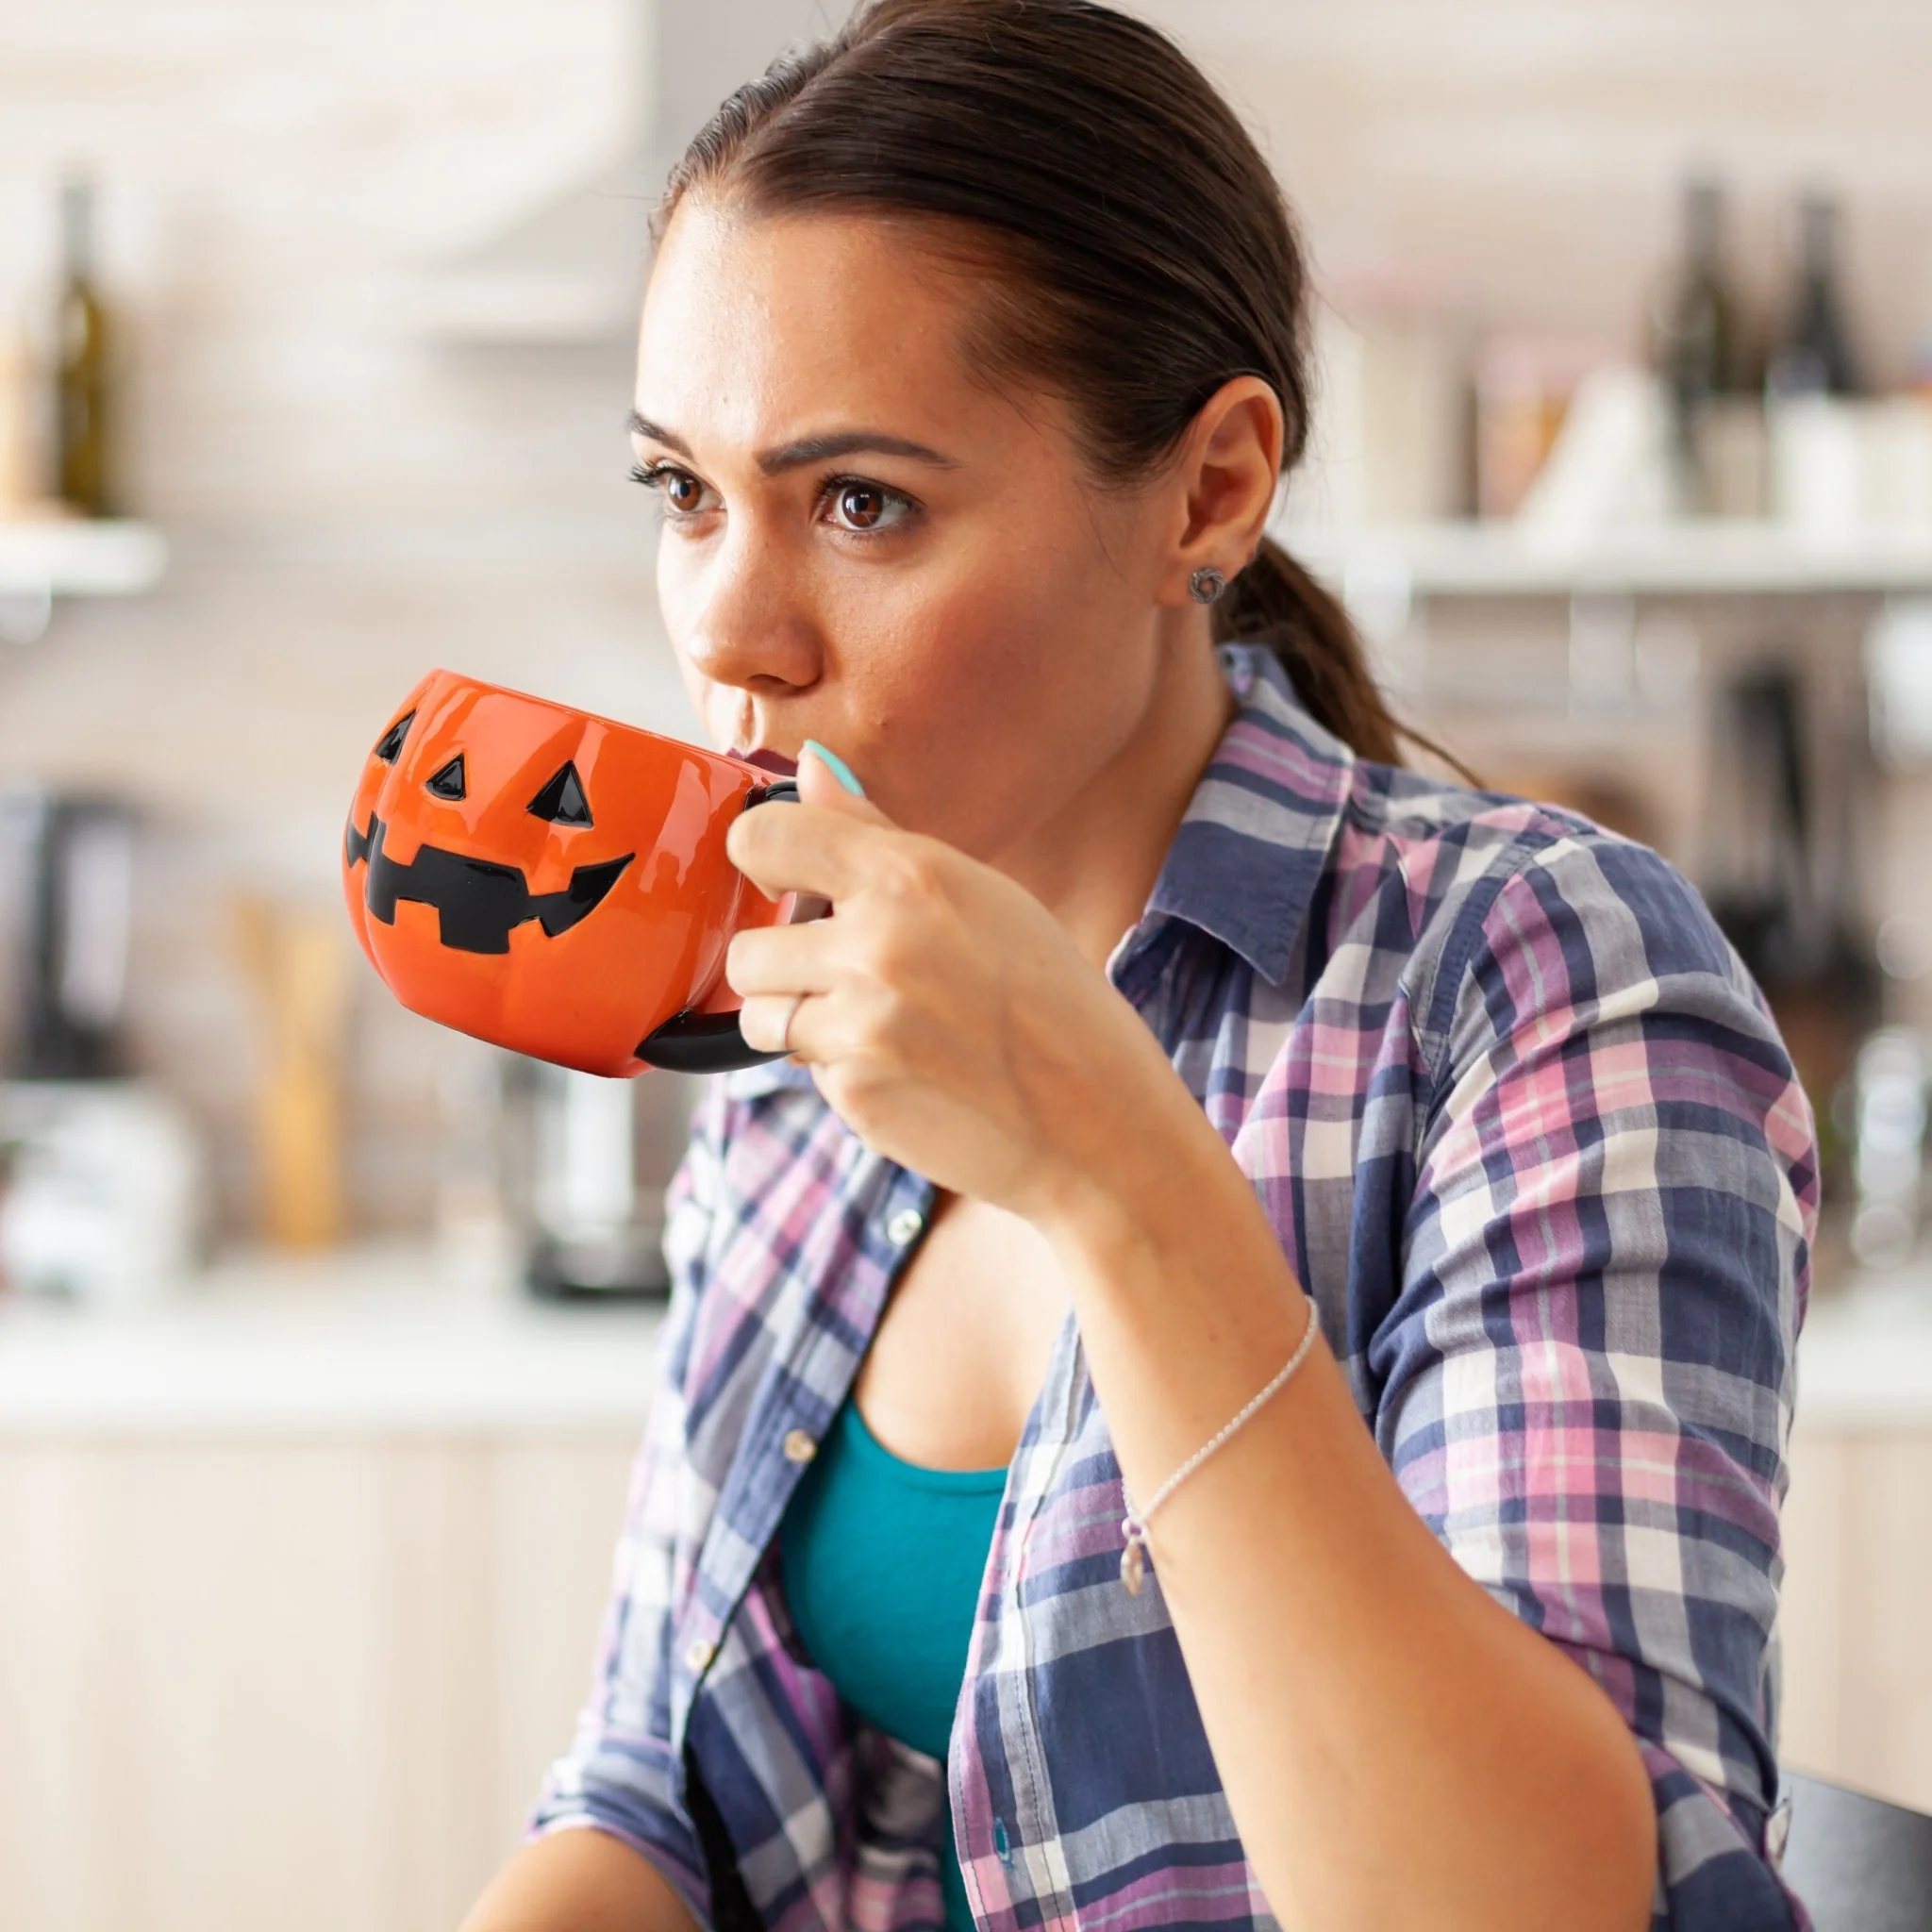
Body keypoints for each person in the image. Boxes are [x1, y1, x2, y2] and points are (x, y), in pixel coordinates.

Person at [462, 3, 1814, 1927]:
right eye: (684, 492)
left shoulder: (1536, 983)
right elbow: (655, 1799)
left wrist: (1112, 1167)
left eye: (862, 503)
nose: (732, 632)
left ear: (1209, 488)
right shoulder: (787, 1035)